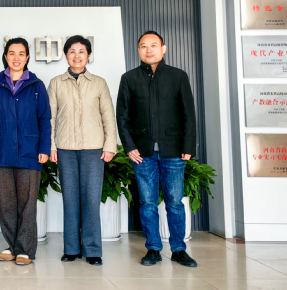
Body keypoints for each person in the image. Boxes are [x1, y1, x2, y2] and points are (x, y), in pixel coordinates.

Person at [116, 31, 198, 268]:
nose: (148, 49)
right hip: (142, 152)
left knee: (175, 202)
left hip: (173, 150)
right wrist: (129, 146)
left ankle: (179, 249)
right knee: (148, 203)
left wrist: (188, 146)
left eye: (153, 45)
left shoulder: (178, 76)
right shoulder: (129, 78)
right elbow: (122, 116)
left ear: (164, 49)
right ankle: (153, 248)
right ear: (138, 50)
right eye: (143, 46)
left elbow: (188, 114)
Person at [48, 35, 117, 266]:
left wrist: (110, 146)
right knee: (70, 199)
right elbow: (50, 118)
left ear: (88, 55)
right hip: (65, 149)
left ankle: (93, 250)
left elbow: (108, 117)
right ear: (66, 55)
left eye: (81, 51)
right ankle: (71, 249)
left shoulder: (99, 83)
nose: (77, 56)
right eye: (72, 51)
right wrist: (51, 146)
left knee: (91, 199)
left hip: (93, 149)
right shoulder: (56, 83)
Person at [0, 37, 51, 266]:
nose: (16, 58)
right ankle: (11, 246)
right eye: (12, 53)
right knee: (7, 203)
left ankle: (25, 249)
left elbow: (45, 119)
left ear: (27, 57)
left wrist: (44, 148)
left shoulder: (36, 85)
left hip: (30, 151)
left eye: (21, 53)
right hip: (2, 150)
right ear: (5, 56)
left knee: (27, 203)